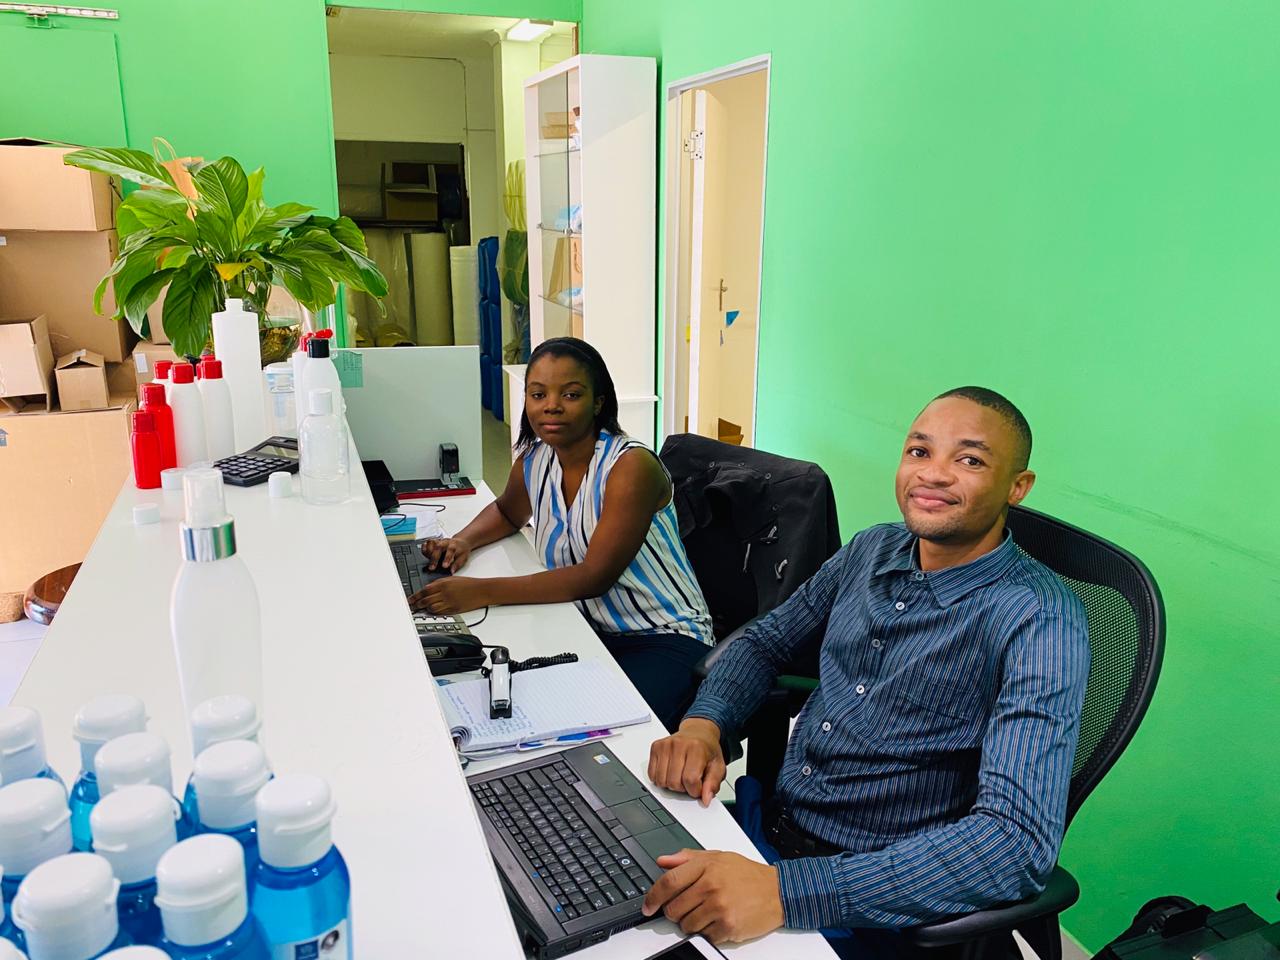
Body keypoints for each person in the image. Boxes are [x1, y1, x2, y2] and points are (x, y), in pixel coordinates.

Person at [643, 387, 1090, 958]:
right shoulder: (873, 548)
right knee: (604, 894)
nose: (933, 474)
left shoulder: (1038, 619)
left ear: (1017, 487)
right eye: (919, 451)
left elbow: (1016, 843)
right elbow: (766, 641)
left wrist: (785, 893)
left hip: (873, 901)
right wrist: (705, 724)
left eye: (970, 460)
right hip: (772, 832)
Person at [409, 337, 714, 729]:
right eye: (538, 394)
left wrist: (480, 592)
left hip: (663, 636)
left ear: (598, 402)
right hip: (584, 624)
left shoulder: (630, 467)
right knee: (508, 704)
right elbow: (507, 511)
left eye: (570, 394)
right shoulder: (536, 459)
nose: (551, 405)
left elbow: (593, 577)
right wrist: (462, 541)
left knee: (598, 728)